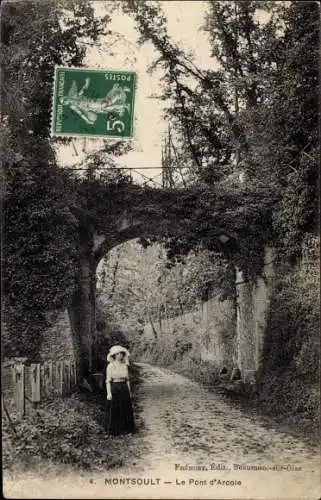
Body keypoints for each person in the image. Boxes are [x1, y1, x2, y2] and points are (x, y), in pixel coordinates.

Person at [105, 345, 135, 435]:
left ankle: (126, 429)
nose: (120, 355)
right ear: (114, 355)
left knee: (125, 407)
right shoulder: (110, 366)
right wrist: (109, 393)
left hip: (124, 387)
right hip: (115, 387)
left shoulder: (124, 366)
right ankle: (114, 430)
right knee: (115, 408)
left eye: (121, 353)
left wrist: (129, 392)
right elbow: (108, 381)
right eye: (117, 354)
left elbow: (127, 380)